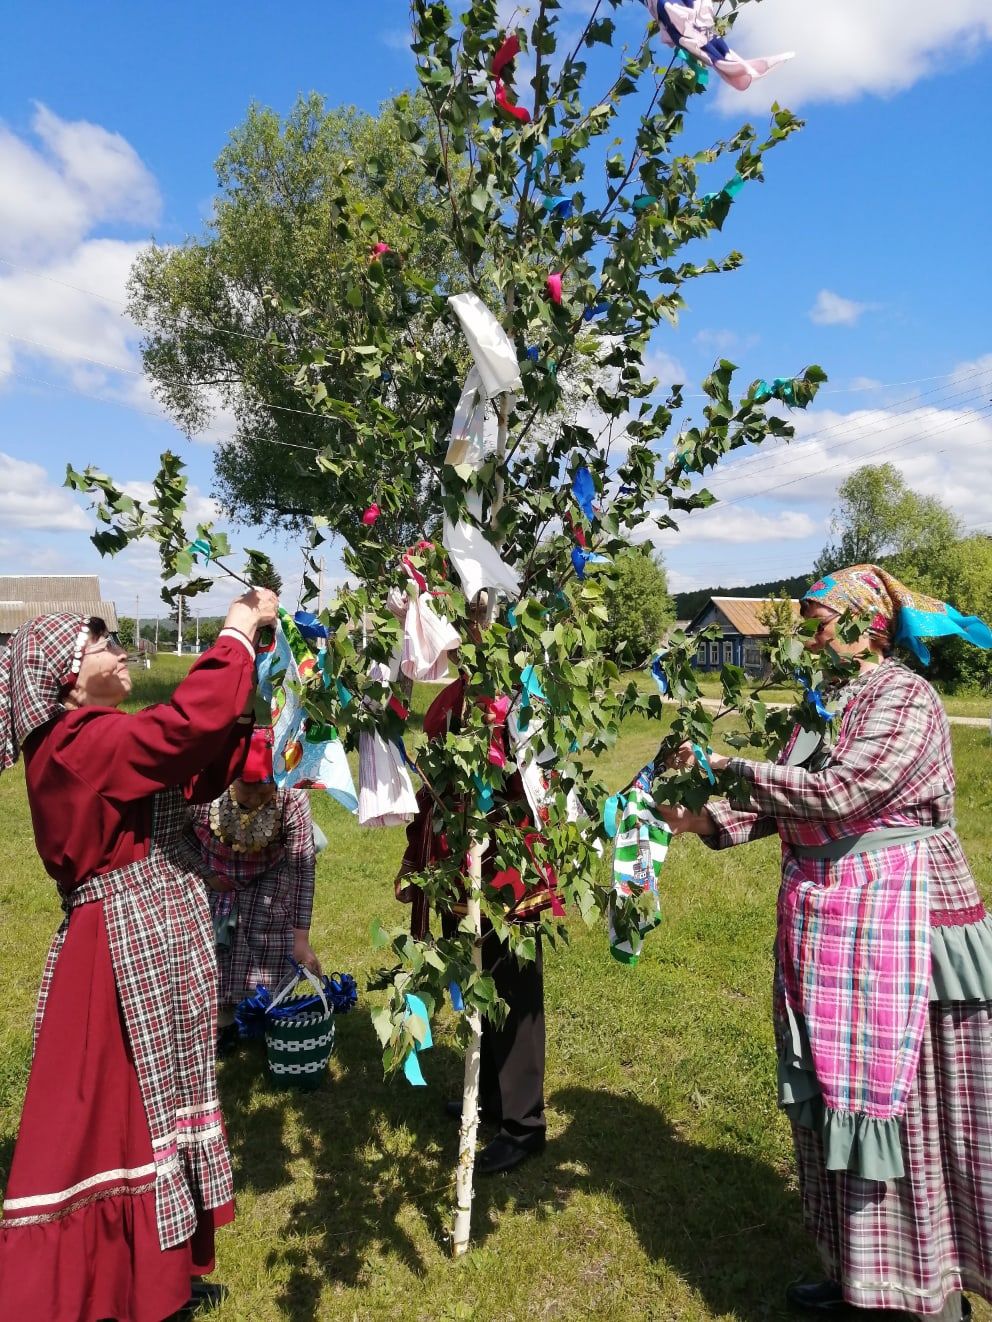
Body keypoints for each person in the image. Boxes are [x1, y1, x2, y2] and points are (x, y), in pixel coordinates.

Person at [660, 565, 992, 1321]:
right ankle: (858, 1279)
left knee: (904, 1117)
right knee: (834, 1104)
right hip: (835, 935)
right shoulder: (821, 705)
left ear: (865, 624)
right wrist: (701, 817)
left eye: (817, 619)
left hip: (905, 936)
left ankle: (927, 1297)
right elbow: (778, 802)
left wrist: (730, 770)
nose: (807, 633)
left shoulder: (905, 697)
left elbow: (843, 792)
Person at [0, 589, 278, 1322]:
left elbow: (194, 767)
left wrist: (249, 677)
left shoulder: (97, 732)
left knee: (162, 1105)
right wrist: (232, 637)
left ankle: (161, 1281)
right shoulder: (70, 744)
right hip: (116, 951)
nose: (120, 651)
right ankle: (104, 1292)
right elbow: (178, 728)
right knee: (118, 1118)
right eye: (101, 644)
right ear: (62, 673)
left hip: (153, 935)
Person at [394, 595, 550, 1176]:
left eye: (477, 628)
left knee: (511, 980)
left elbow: (530, 778)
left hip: (507, 863)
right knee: (474, 975)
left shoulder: (517, 698)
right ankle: (482, 1096)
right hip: (460, 861)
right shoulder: (455, 696)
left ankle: (522, 1124)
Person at [188, 725, 320, 1050]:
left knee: (268, 935)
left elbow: (303, 868)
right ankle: (221, 1022)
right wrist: (205, 872)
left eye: (264, 790)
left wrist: (300, 939)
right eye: (245, 789)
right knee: (214, 945)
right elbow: (174, 837)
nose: (255, 799)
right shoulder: (203, 790)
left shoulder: (292, 797)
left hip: (270, 874)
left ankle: (265, 1012)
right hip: (212, 872)